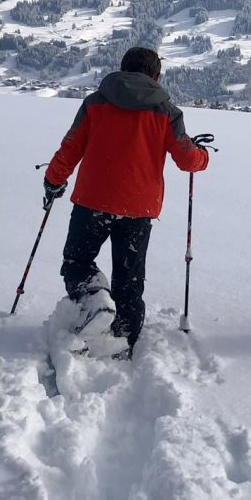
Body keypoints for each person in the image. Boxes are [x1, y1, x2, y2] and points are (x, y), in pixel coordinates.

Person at [42, 47, 210, 359]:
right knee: (129, 280)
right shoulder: (166, 111)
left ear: (122, 69)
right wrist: (203, 158)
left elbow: (71, 146)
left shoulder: (96, 102)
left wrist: (54, 179)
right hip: (138, 208)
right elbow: (187, 159)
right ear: (156, 75)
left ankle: (95, 299)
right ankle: (122, 343)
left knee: (77, 262)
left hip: (92, 201)